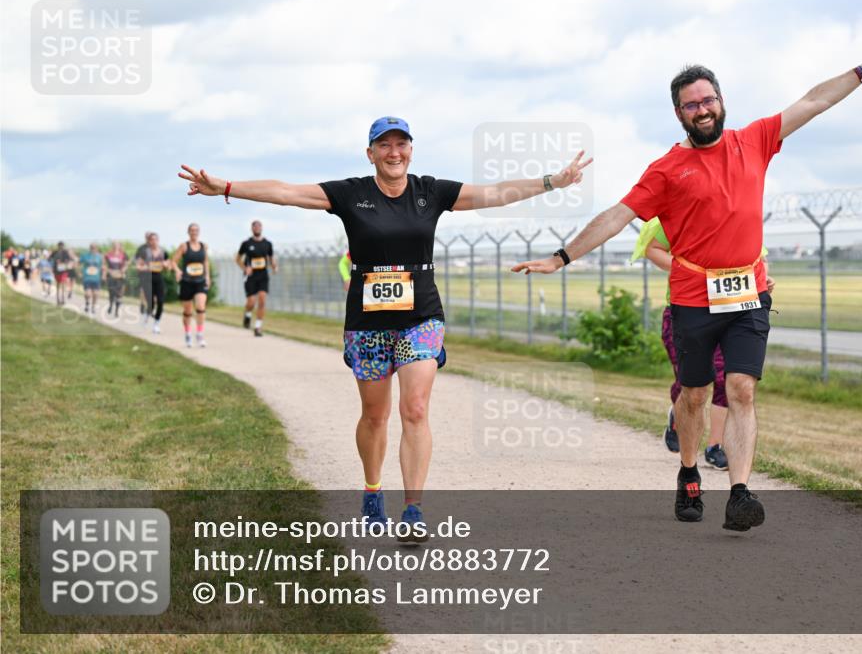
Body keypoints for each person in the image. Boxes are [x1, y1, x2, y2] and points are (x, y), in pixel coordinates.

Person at [514, 36, 862, 532]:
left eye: (708, 100)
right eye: (691, 105)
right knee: (695, 395)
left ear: (721, 101)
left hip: (748, 294)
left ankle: (740, 493)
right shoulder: (665, 170)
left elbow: (814, 100)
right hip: (693, 300)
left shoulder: (756, 139)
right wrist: (561, 256)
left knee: (741, 388)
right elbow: (616, 216)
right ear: (678, 114)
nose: (702, 109)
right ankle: (688, 472)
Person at [178, 116, 591, 541]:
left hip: (421, 318)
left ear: (411, 150)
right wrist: (226, 187)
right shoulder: (350, 194)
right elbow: (285, 192)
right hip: (367, 323)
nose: (394, 152)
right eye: (385, 145)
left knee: (415, 408)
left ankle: (413, 509)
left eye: (402, 144)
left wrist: (552, 181)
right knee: (375, 416)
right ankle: (373, 489)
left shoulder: (430, 192)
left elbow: (492, 194)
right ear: (370, 152)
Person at [633, 220, 776, 469]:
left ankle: (714, 446)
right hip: (688, 311)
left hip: (732, 310)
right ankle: (678, 417)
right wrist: (694, 273)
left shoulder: (739, 210)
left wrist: (763, 278)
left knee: (725, 379)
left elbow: (758, 257)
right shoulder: (679, 212)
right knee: (693, 386)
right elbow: (653, 249)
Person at [171, 223, 211, 348]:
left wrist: (207, 276)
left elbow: (205, 261)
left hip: (200, 281)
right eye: (192, 230)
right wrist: (177, 271)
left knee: (200, 307)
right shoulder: (184, 246)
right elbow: (173, 261)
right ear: (188, 232)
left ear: (199, 232)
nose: (194, 232)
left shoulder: (204, 246)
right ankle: (188, 333)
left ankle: (199, 333)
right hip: (187, 282)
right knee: (188, 311)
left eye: (196, 230)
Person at [236, 220, 278, 337]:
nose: (257, 228)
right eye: (255, 226)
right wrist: (245, 268)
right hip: (250, 277)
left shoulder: (268, 244)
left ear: (262, 228)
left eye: (259, 226)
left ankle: (258, 327)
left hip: (263, 276)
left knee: (262, 300)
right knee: (251, 302)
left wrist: (274, 266)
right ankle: (248, 314)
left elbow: (271, 259)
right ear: (252, 229)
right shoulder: (246, 243)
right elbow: (237, 259)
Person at [137, 233, 170, 334]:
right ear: (149, 241)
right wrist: (146, 267)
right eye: (151, 240)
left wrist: (166, 265)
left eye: (155, 239)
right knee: (151, 303)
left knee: (160, 302)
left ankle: (156, 324)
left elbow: (169, 266)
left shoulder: (164, 252)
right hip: (147, 278)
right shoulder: (144, 252)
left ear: (158, 240)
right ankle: (147, 316)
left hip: (158, 278)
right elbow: (138, 266)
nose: (154, 241)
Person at [103, 241, 130, 317]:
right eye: (114, 245)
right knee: (111, 293)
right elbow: (104, 265)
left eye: (117, 245)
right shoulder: (108, 254)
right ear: (112, 246)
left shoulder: (124, 255)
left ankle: (116, 311)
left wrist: (124, 269)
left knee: (119, 294)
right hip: (111, 276)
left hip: (120, 276)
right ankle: (111, 305)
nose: (116, 246)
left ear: (119, 246)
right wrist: (105, 273)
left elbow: (127, 264)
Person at [79, 244, 103, 314]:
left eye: (95, 248)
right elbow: (79, 263)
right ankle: (87, 303)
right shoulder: (85, 256)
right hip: (87, 277)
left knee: (96, 294)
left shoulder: (99, 257)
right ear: (90, 248)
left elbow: (103, 266)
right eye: (92, 248)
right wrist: (80, 272)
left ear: (97, 248)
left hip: (96, 278)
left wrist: (103, 274)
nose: (93, 249)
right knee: (88, 294)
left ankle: (93, 307)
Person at [51, 242, 75, 306]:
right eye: (60, 246)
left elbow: (69, 259)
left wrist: (65, 262)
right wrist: (55, 262)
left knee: (63, 284)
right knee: (58, 285)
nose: (61, 247)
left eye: (62, 246)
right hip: (57, 271)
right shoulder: (55, 252)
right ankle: (58, 299)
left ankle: (63, 299)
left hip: (63, 271)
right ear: (58, 246)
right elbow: (50, 258)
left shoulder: (65, 252)